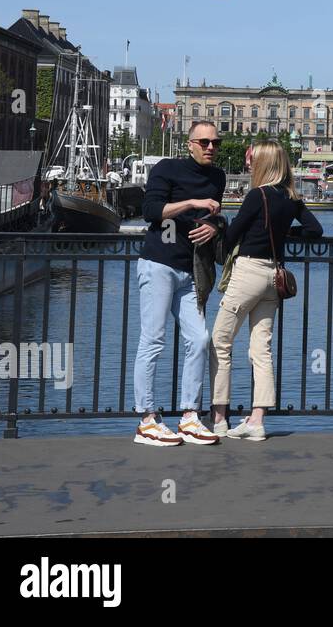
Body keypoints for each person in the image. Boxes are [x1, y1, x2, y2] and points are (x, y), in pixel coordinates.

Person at [209, 141, 323, 441]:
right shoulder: (291, 197)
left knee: (220, 341)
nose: (248, 164)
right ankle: (257, 420)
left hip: (248, 272)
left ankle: (220, 417)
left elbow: (232, 236)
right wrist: (286, 232)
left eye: (252, 160)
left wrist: (219, 228)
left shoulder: (256, 195)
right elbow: (315, 230)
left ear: (264, 163)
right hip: (274, 275)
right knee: (261, 349)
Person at [133, 121, 226, 446]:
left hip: (190, 270)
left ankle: (189, 416)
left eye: (215, 142)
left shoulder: (218, 176)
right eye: (203, 142)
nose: (210, 147)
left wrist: (216, 225)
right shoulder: (167, 169)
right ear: (189, 144)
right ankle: (146, 420)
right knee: (153, 340)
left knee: (200, 339)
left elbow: (216, 214)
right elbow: (151, 211)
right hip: (158, 264)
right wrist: (192, 203)